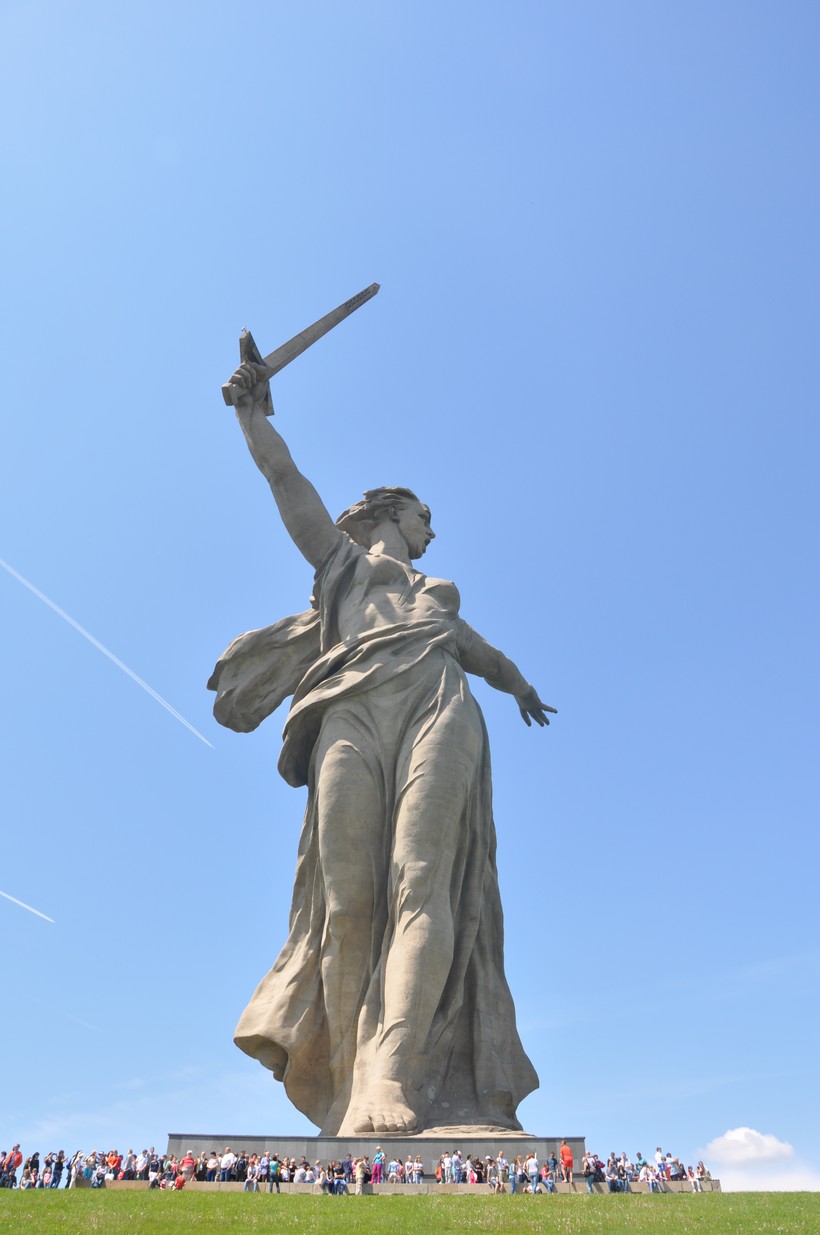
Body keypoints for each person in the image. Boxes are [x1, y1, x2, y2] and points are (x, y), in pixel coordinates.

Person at [215, 361, 555, 1139]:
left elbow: (485, 657)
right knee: (346, 903)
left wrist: (521, 687)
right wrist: (251, 415)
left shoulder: (439, 600)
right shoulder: (343, 567)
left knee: (423, 881)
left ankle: (393, 1071)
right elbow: (285, 479)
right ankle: (348, 1080)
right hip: (351, 711)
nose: (433, 531)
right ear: (391, 513)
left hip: (438, 705)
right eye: (425, 515)